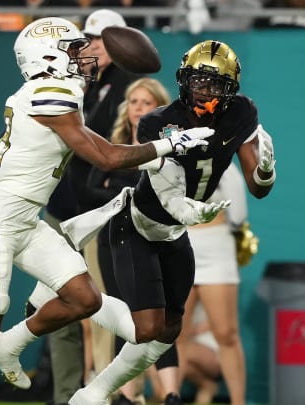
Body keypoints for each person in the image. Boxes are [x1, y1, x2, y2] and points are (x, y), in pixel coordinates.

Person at [0, 17, 212, 405]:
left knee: (84, 299)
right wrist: (169, 146)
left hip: (25, 219)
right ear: (48, 59)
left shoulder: (53, 89)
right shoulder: (49, 93)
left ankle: (11, 345)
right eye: (73, 50)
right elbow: (105, 157)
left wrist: (159, 155)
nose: (82, 57)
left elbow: (104, 151)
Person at [15, 39, 275, 405]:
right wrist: (186, 209)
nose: (204, 90)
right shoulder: (157, 124)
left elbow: (258, 188)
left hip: (175, 232)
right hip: (137, 225)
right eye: (198, 81)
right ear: (183, 81)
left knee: (168, 328)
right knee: (144, 325)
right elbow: (164, 191)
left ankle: (99, 391)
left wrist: (266, 169)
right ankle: (83, 352)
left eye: (213, 83)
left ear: (230, 87)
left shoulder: (241, 113)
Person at [41, 9, 143, 405]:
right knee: (58, 306)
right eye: (90, 38)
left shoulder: (132, 88)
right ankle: (66, 394)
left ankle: (107, 393)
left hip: (100, 214)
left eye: (104, 39)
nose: (94, 46)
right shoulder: (69, 83)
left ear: (121, 44)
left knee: (102, 309)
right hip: (62, 209)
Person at [82, 77, 174, 405]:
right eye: (133, 101)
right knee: (122, 315)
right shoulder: (116, 142)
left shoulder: (169, 143)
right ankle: (127, 394)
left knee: (156, 316)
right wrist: (126, 194)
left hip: (155, 239)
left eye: (145, 102)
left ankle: (168, 393)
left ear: (158, 106)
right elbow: (91, 186)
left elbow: (169, 192)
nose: (137, 108)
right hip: (115, 237)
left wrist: (121, 187)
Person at [177, 161, 249, 405]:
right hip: (180, 243)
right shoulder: (172, 144)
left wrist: (235, 222)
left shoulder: (221, 152)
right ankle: (171, 398)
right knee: (177, 334)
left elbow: (238, 204)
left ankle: (238, 402)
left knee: (226, 333)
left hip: (216, 243)